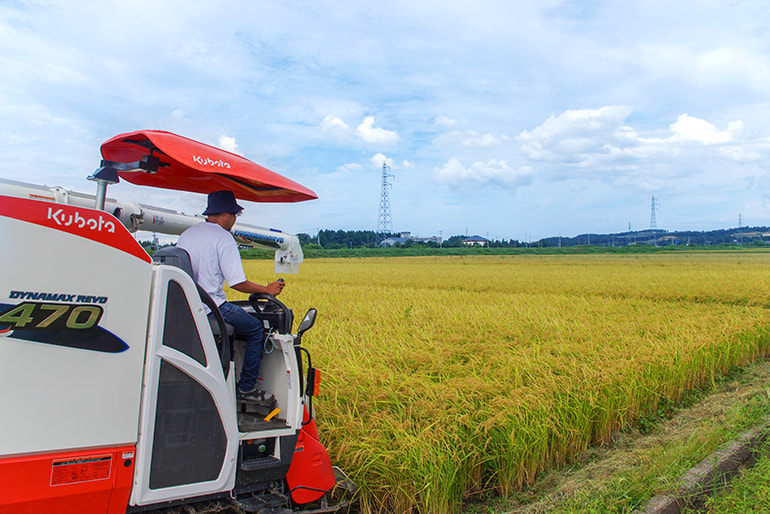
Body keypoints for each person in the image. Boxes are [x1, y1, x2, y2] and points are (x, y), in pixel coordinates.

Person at [177, 190, 285, 403]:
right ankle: (246, 388)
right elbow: (237, 283)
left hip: (187, 304)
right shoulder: (224, 238)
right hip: (212, 306)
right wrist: (267, 289)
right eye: (235, 215)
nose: (235, 220)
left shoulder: (187, 234)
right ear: (227, 214)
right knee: (255, 329)